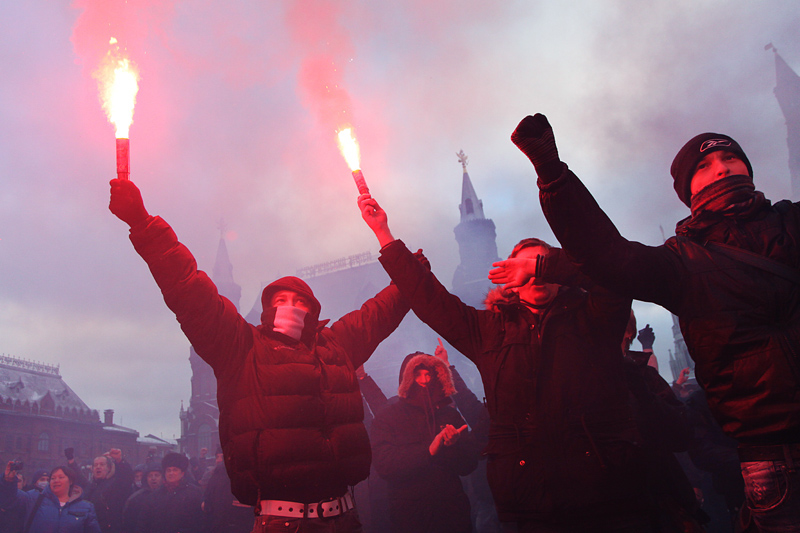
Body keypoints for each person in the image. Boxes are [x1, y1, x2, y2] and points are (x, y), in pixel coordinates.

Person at [510, 113, 800, 531]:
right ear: (687, 189)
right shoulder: (680, 261)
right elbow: (606, 255)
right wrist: (552, 175)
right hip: (774, 457)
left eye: (731, 158)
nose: (721, 166)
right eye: (704, 165)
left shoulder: (791, 223)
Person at [109, 178, 413, 533]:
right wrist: (143, 223)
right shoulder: (241, 348)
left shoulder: (334, 347)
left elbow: (382, 310)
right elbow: (189, 289)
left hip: (343, 519)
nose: (291, 307)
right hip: (281, 523)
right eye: (280, 301)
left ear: (313, 313)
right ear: (266, 311)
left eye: (300, 302)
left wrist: (405, 262)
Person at [358, 196, 653, 531]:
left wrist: (544, 264)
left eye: (542, 265)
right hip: (534, 502)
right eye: (523, 268)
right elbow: (431, 300)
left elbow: (614, 271)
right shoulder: (489, 332)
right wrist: (384, 234)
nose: (533, 273)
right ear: (509, 280)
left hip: (608, 494)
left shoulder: (595, 319)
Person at [370, 351, 478, 533]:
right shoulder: (387, 417)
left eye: (428, 374)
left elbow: (469, 465)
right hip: (412, 518)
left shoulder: (449, 414)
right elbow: (384, 465)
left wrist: (453, 446)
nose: (424, 379)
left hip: (453, 517)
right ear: (406, 378)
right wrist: (428, 452)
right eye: (417, 374)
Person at [1, 462, 100, 533]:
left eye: (61, 477)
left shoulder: (86, 507)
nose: (56, 480)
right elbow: (10, 499)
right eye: (53, 478)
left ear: (70, 481)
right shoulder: (34, 498)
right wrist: (8, 480)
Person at [135, 453, 203, 533]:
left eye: (175, 470)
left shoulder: (195, 494)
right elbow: (143, 523)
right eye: (168, 470)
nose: (171, 473)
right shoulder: (154, 497)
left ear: (182, 473)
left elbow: (201, 522)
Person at [83, 449, 134, 533]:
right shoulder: (90, 487)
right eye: (95, 465)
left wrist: (119, 461)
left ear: (109, 468)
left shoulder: (115, 484)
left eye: (102, 464)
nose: (98, 467)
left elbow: (127, 478)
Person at [122, 463, 162, 533]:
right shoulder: (135, 498)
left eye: (157, 475)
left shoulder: (169, 495)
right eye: (150, 476)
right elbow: (128, 523)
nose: (153, 478)